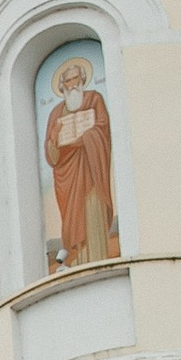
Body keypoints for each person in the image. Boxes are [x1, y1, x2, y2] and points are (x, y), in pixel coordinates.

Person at [44, 56, 119, 268]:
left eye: (76, 78)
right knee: (72, 219)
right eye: (68, 81)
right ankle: (74, 262)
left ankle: (99, 261)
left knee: (92, 213)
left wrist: (85, 138)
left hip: (92, 172)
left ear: (83, 79)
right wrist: (55, 136)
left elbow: (103, 129)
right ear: (62, 86)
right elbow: (52, 155)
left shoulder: (95, 99)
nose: (73, 84)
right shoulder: (55, 114)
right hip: (68, 178)